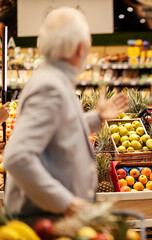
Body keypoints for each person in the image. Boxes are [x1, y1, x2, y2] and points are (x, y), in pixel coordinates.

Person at [2, 7, 129, 224]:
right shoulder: (50, 86)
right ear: (80, 49)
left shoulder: (53, 79)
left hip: (48, 217)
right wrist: (67, 203)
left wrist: (97, 117)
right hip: (43, 221)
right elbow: (17, 157)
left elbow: (61, 128)